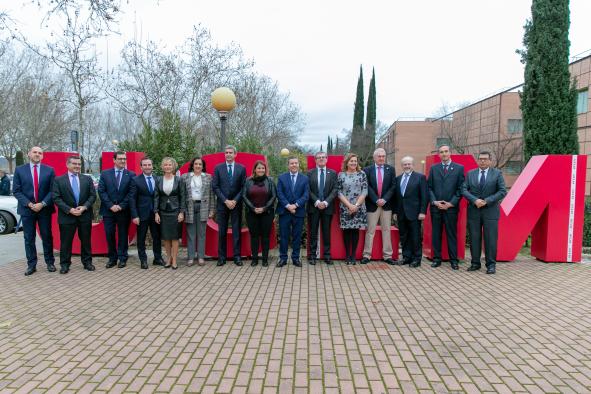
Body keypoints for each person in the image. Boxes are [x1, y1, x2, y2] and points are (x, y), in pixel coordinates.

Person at [461, 151, 507, 274]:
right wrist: (474, 200)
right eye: (480, 159)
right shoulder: (470, 174)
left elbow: (502, 191)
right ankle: (475, 263)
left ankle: (491, 265)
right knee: (474, 238)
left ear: (490, 161)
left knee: (490, 239)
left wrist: (486, 201)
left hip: (490, 211)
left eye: (485, 159)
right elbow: (464, 189)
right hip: (474, 211)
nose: (482, 161)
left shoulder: (497, 173)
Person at [12, 147, 56, 276]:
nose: (37, 154)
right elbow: (16, 191)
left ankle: (50, 262)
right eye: (35, 152)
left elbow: (53, 191)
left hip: (44, 209)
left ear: (42, 156)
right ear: (29, 154)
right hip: (27, 209)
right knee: (29, 238)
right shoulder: (20, 170)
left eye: (40, 153)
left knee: (47, 236)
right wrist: (30, 204)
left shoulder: (49, 170)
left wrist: (42, 204)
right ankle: (31, 265)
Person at [52, 155, 96, 274]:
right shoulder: (58, 180)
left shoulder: (87, 179)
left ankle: (87, 262)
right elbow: (56, 198)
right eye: (74, 164)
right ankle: (65, 264)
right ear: (67, 165)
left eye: (79, 164)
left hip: (84, 215)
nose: (77, 166)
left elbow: (93, 196)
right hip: (67, 216)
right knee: (66, 242)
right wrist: (69, 209)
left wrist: (84, 207)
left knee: (86, 241)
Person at [427, 144, 465, 270]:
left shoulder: (459, 168)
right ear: (439, 154)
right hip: (436, 207)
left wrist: (451, 203)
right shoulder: (434, 168)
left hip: (451, 208)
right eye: (441, 152)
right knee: (436, 234)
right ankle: (436, 259)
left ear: (450, 153)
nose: (444, 154)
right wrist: (434, 201)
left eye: (446, 151)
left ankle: (453, 260)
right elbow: (429, 187)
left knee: (451, 234)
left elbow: (461, 189)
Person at [98, 151, 136, 269]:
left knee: (123, 235)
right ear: (114, 160)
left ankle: (122, 258)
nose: (122, 161)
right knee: (109, 234)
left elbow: (131, 193)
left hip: (123, 211)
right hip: (108, 211)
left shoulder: (131, 174)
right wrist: (110, 205)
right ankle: (112, 258)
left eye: (124, 159)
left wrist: (121, 206)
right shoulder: (105, 174)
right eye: (120, 159)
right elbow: (101, 191)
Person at [212, 145, 246, 266]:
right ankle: (222, 257)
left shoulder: (241, 168)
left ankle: (237, 257)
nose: (228, 154)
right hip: (222, 204)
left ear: (235, 154)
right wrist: (226, 200)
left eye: (230, 152)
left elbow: (243, 187)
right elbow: (215, 186)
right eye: (226, 152)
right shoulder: (218, 168)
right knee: (222, 231)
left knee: (237, 231)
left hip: (236, 204)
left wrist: (235, 201)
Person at [362, 148, 397, 265]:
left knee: (386, 230)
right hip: (373, 204)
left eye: (383, 156)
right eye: (379, 156)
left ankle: (387, 256)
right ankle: (367, 255)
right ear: (374, 157)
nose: (381, 158)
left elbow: (393, 186)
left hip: (387, 205)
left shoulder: (391, 169)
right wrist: (376, 199)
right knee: (370, 230)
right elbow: (367, 186)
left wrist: (385, 199)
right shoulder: (367, 170)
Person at [130, 157, 164, 269]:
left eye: (149, 165)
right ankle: (143, 260)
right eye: (145, 165)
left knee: (157, 237)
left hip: (156, 214)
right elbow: (132, 199)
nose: (147, 167)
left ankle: (157, 258)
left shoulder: (158, 179)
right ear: (141, 167)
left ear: (152, 166)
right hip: (141, 214)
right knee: (141, 238)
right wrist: (134, 215)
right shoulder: (135, 180)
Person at [394, 156, 428, 268]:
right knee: (404, 236)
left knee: (415, 236)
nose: (407, 166)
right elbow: (396, 197)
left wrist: (423, 212)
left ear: (413, 165)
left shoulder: (420, 178)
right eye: (405, 164)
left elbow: (424, 196)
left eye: (409, 164)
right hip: (401, 213)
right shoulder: (398, 178)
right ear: (402, 166)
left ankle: (416, 258)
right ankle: (406, 257)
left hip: (415, 213)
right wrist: (395, 212)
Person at [181, 156, 215, 267]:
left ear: (203, 166)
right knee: (191, 234)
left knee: (201, 234)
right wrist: (182, 210)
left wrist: (212, 209)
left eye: (200, 164)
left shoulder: (208, 177)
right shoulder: (185, 177)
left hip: (203, 207)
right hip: (190, 207)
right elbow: (183, 195)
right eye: (196, 164)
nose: (198, 166)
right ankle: (190, 258)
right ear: (192, 165)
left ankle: (200, 257)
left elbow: (211, 195)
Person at [276, 156, 309, 267]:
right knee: (284, 236)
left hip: (298, 211)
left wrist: (295, 205)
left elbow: (306, 195)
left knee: (297, 236)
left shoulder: (305, 179)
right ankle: (283, 258)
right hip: (284, 212)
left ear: (298, 164)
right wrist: (288, 206)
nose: (294, 165)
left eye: (295, 163)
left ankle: (295, 258)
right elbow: (279, 194)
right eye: (291, 163)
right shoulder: (281, 177)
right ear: (288, 165)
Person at [242, 160, 277, 267]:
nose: (261, 170)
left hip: (267, 213)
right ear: (255, 169)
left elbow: (273, 196)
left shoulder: (270, 180)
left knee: (266, 236)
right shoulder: (248, 181)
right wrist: (253, 208)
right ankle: (255, 259)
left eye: (263, 168)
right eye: (259, 168)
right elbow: (244, 196)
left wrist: (264, 208)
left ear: (265, 170)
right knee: (254, 237)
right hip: (251, 213)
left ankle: (265, 259)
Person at [154, 157, 185, 269]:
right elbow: (156, 197)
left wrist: (182, 212)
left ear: (173, 166)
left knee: (175, 237)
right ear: (162, 167)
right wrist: (156, 212)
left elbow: (183, 197)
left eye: (169, 165)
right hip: (163, 212)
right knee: (166, 237)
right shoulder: (158, 180)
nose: (167, 167)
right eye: (165, 165)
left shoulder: (179, 180)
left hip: (175, 211)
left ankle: (175, 260)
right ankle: (168, 259)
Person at [307, 151, 338, 265]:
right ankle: (312, 256)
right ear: (315, 160)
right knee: (313, 232)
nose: (321, 159)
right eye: (318, 157)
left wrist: (325, 202)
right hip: (313, 207)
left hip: (327, 207)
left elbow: (335, 189)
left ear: (327, 159)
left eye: (323, 157)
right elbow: (308, 189)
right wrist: (316, 201)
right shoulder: (310, 173)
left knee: (326, 232)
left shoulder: (333, 173)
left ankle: (327, 255)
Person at [337, 153, 368, 265]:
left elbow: (365, 190)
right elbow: (339, 191)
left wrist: (356, 205)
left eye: (355, 161)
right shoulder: (341, 175)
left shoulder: (362, 174)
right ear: (347, 162)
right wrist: (349, 205)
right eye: (351, 161)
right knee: (346, 230)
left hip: (358, 207)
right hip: (345, 207)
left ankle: (353, 255)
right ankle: (347, 255)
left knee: (355, 231)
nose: (354, 163)